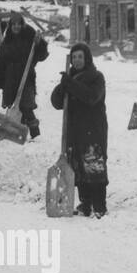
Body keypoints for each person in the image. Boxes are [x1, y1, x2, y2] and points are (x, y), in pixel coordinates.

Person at [51, 42, 109, 216]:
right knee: (78, 167)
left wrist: (70, 84)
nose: (77, 60)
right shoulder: (70, 78)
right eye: (74, 57)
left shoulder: (96, 77)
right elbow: (56, 103)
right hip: (75, 130)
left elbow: (91, 97)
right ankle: (86, 203)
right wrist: (62, 87)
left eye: (80, 57)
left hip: (93, 129)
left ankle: (99, 205)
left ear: (87, 58)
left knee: (94, 165)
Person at [0, 13, 49, 138]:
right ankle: (15, 131)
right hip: (10, 79)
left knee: (26, 106)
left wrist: (40, 44)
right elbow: (0, 63)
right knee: (14, 106)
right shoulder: (6, 42)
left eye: (19, 24)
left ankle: (35, 133)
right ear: (10, 26)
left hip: (26, 78)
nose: (16, 27)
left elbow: (42, 56)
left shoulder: (29, 40)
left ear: (22, 25)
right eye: (14, 24)